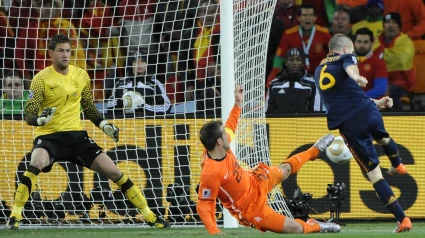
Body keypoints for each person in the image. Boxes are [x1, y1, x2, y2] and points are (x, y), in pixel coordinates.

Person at [5, 34, 170, 230]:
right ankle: (15, 215)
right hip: (49, 136)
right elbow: (29, 114)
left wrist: (103, 125)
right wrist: (40, 120)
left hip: (77, 137)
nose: (65, 55)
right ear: (51, 53)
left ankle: (150, 215)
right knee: (35, 163)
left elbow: (89, 108)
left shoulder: (81, 75)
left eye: (68, 51)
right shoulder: (40, 79)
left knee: (114, 171)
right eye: (61, 51)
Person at [196, 85, 340, 235]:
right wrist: (214, 231)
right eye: (223, 134)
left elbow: (231, 127)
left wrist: (238, 105)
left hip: (254, 180)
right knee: (295, 228)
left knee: (286, 169)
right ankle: (317, 226)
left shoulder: (219, 146)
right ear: (219, 142)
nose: (228, 135)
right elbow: (204, 204)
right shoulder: (211, 172)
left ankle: (313, 151)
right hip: (251, 208)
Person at [314, 33, 412, 233]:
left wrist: (357, 78)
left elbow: (347, 92)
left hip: (350, 123)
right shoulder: (346, 57)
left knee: (375, 175)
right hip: (368, 110)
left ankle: (403, 219)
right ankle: (398, 164)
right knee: (382, 136)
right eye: (350, 50)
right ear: (344, 49)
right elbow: (350, 66)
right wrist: (360, 80)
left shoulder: (318, 69)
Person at [106, 52, 171, 115]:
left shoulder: (155, 83)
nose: (139, 64)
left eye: (142, 61)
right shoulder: (120, 83)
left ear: (146, 64)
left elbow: (167, 106)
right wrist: (119, 103)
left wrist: (145, 108)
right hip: (125, 123)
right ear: (131, 64)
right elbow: (109, 105)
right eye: (135, 61)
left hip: (147, 123)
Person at [266, 48, 322, 113]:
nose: (294, 63)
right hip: (280, 123)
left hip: (304, 123)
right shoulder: (274, 84)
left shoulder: (313, 84)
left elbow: (316, 114)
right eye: (291, 60)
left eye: (298, 60)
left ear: (303, 63)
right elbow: (267, 112)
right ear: (286, 63)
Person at [353, 28, 387, 99]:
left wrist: (360, 99)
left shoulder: (378, 63)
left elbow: (381, 89)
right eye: (359, 42)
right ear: (354, 43)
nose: (362, 45)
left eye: (365, 42)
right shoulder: (344, 61)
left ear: (372, 43)